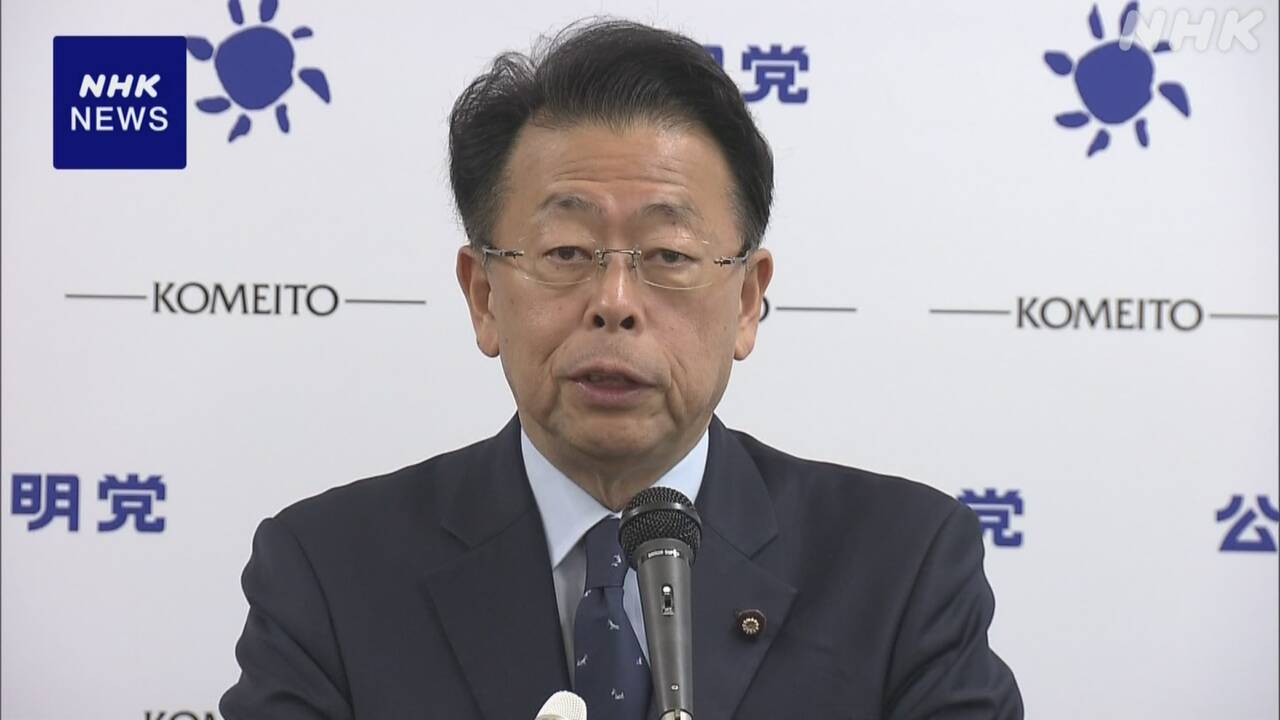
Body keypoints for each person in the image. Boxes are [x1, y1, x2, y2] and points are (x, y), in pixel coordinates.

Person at [221, 19, 1022, 720]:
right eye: (567, 252)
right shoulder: (330, 573)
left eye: (668, 254)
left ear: (748, 300)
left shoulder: (900, 565)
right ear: (484, 296)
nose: (614, 302)